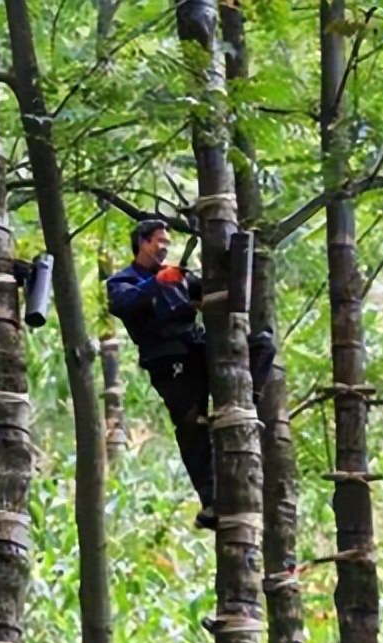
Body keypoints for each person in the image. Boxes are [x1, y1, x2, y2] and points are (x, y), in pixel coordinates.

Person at [106, 219, 274, 530]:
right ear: (142, 243)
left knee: (262, 345)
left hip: (199, 348)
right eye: (158, 240)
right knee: (191, 427)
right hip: (168, 361)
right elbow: (124, 304)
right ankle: (211, 500)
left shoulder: (178, 275)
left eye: (167, 241)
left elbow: (210, 290)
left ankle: (247, 399)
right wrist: (158, 283)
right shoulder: (122, 281)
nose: (164, 246)